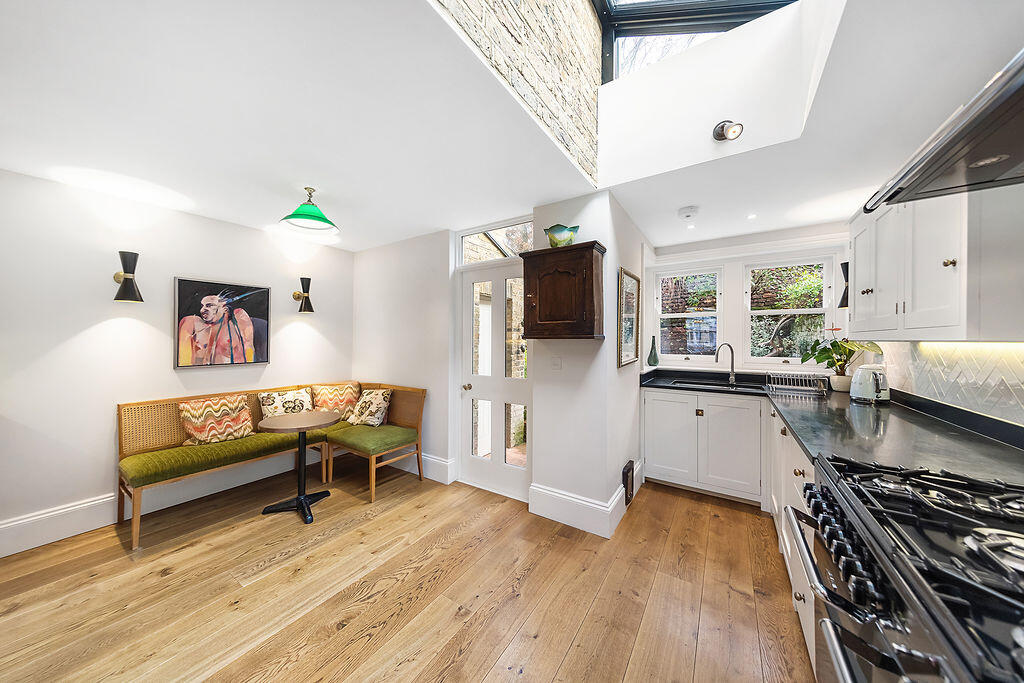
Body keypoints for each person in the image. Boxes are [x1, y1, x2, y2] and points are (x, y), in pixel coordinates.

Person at [177, 291, 255, 365]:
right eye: (202, 306)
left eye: (209, 305)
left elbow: (248, 351)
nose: (202, 310)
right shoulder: (191, 322)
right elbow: (183, 360)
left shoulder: (238, 319)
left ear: (225, 309)